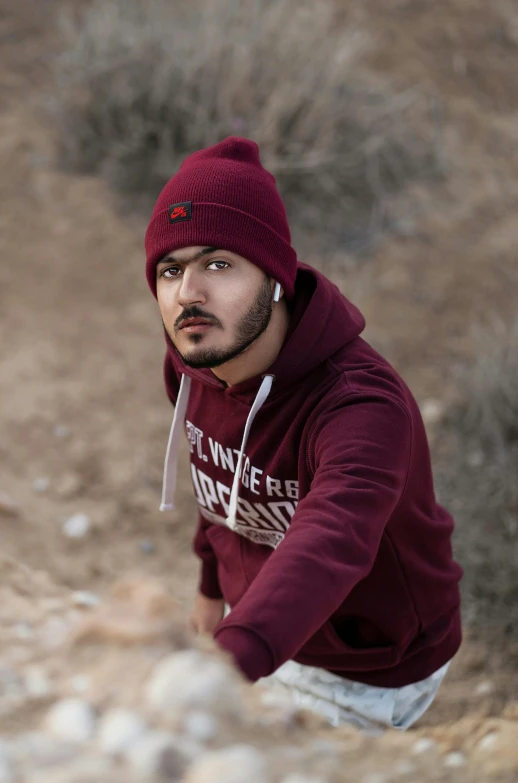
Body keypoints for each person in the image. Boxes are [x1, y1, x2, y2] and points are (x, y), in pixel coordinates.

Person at [144, 136, 463, 732]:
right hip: (258, 623)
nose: (188, 294)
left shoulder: (360, 406)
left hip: (366, 659)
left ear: (274, 277)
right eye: (170, 270)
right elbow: (215, 481)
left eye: (218, 264)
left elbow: (331, 537)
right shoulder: (193, 367)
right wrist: (212, 590)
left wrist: (232, 658)